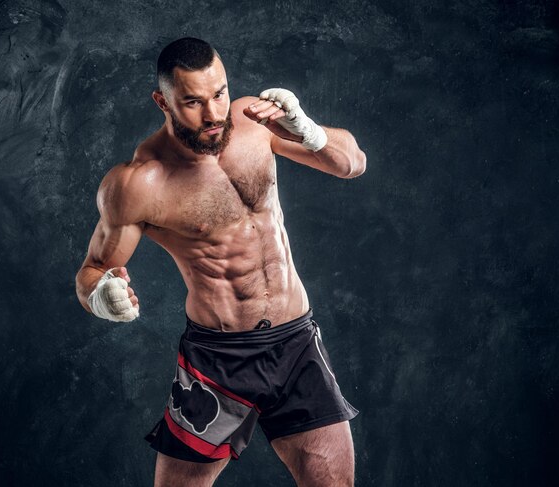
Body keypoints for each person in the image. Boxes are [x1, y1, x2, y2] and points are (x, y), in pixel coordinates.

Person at [75, 37, 366, 487]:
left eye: (219, 93)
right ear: (162, 101)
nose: (212, 114)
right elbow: (93, 270)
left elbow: (353, 164)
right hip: (218, 358)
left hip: (296, 345)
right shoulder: (138, 183)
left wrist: (309, 130)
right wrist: (101, 297)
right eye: (192, 102)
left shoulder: (255, 122)